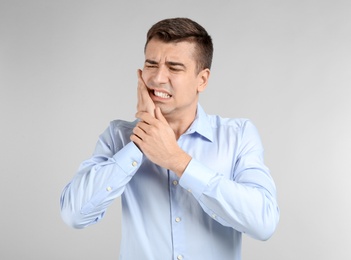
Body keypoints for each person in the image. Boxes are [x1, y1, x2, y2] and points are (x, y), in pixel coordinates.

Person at [60, 17, 280, 260]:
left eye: (174, 67)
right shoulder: (118, 135)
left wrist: (178, 161)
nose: (157, 78)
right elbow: (74, 214)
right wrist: (141, 141)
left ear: (202, 79)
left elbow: (263, 223)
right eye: (151, 65)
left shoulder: (238, 135)